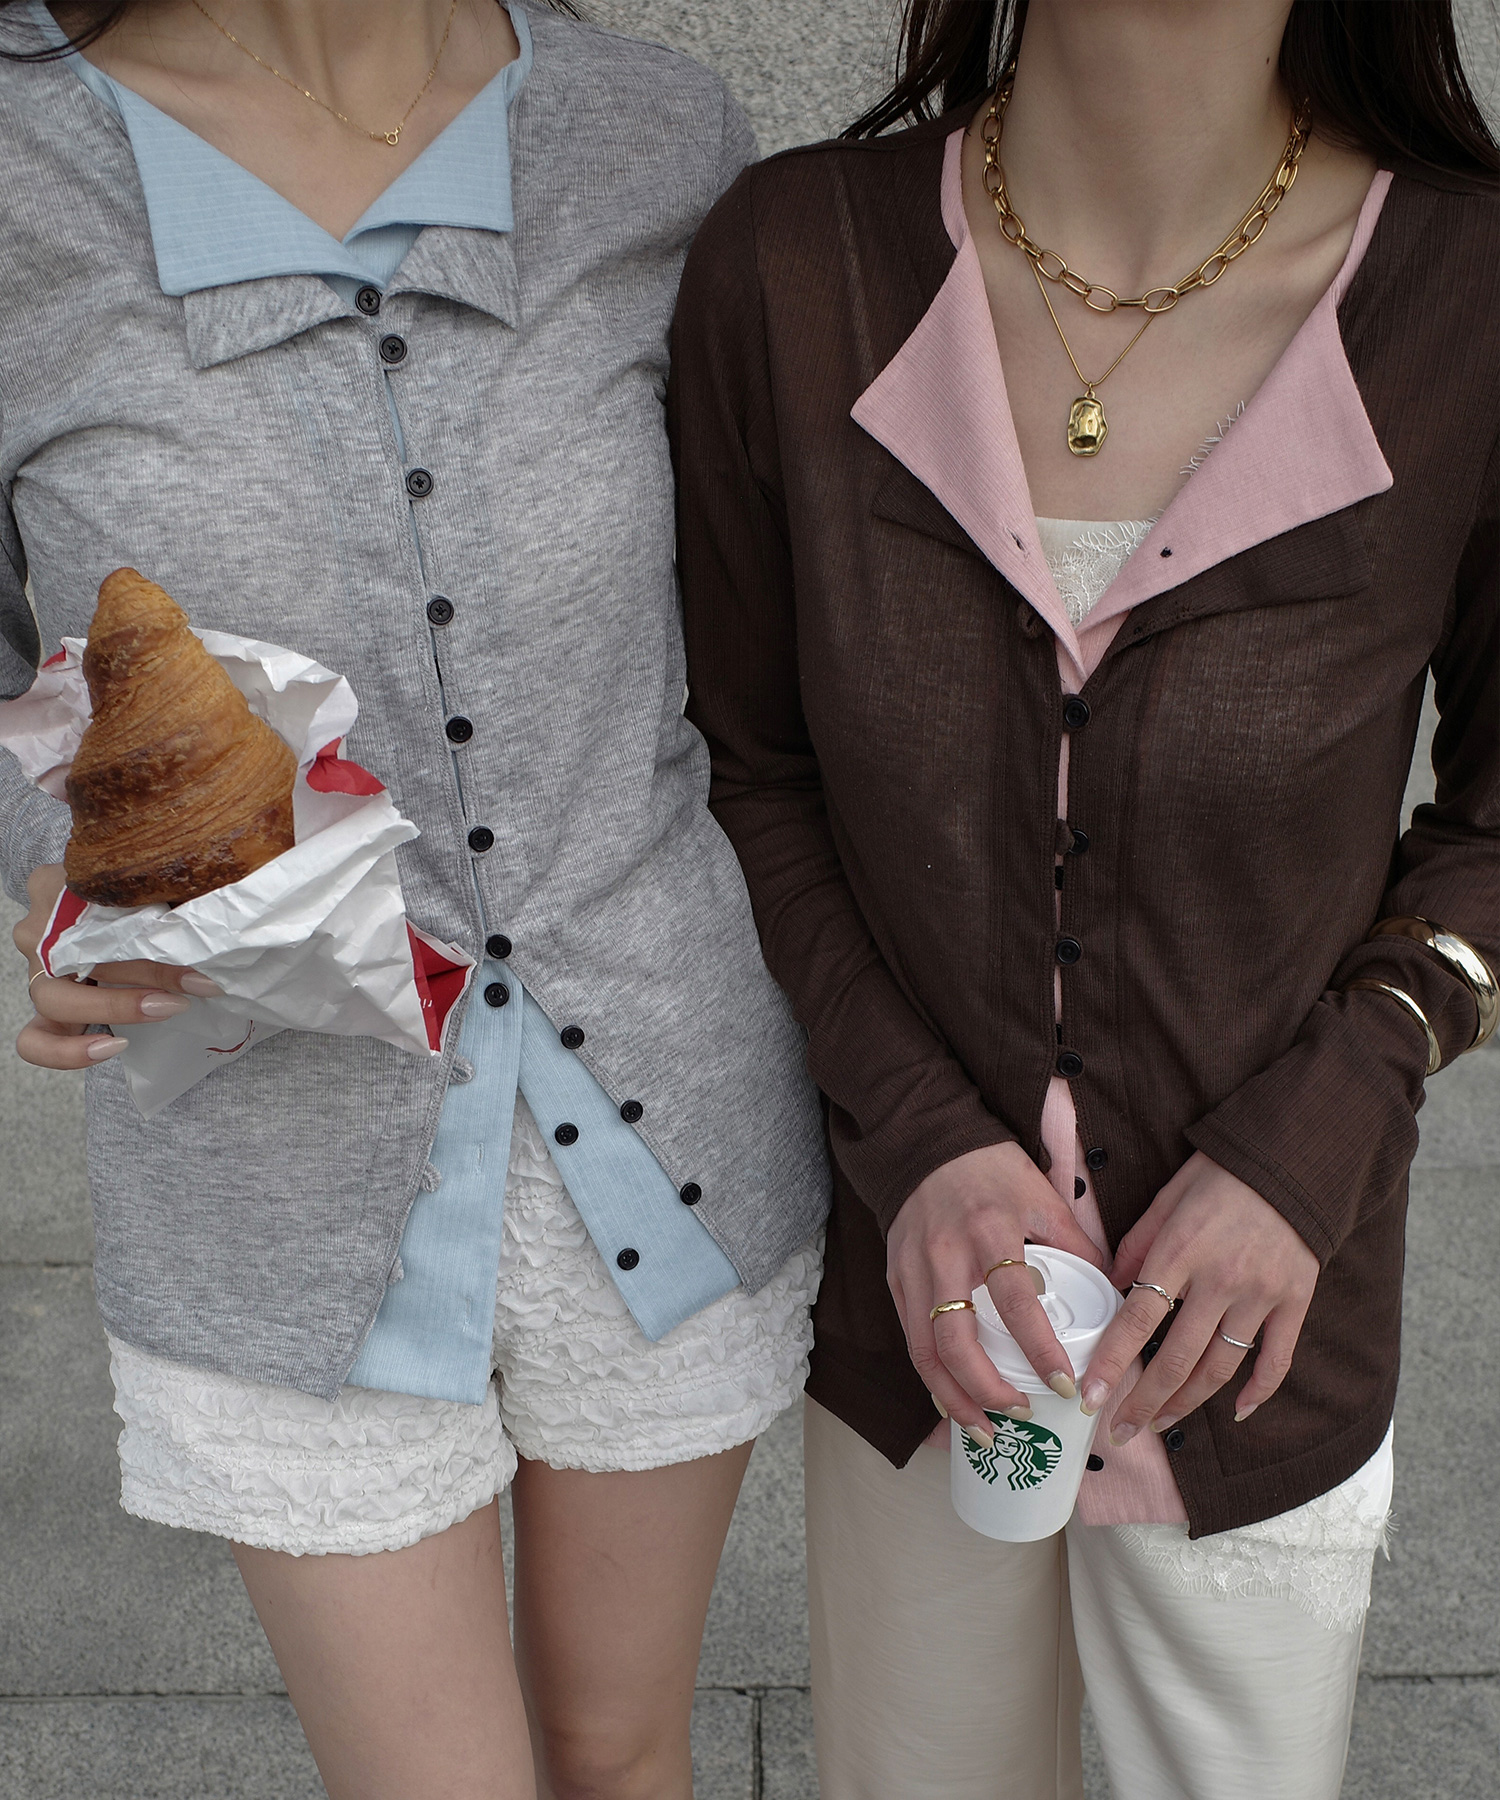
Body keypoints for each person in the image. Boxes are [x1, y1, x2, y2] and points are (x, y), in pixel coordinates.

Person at [670, 1, 1498, 1795]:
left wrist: (1323, 1133)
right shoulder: (792, 264)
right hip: (916, 1314)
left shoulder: (1473, 294)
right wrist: (917, 1141)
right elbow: (750, 768)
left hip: (1269, 1340)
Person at [1, 3, 828, 1796]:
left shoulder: (648, 130)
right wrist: (51, 873)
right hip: (270, 1176)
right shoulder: (22, 169)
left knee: (624, 1759)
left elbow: (783, 612)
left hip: (666, 1116)